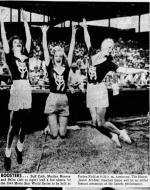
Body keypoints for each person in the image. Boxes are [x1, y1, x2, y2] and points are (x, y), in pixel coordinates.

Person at [81, 18, 148, 147]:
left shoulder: (108, 63)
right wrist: (85, 28)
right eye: (109, 47)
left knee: (101, 122)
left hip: (100, 90)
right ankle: (113, 135)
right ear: (103, 46)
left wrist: (139, 70)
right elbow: (87, 40)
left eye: (112, 48)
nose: (111, 50)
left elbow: (123, 70)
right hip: (90, 90)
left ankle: (120, 132)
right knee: (95, 122)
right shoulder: (92, 55)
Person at [0, 9, 32, 170]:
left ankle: (20, 146)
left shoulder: (26, 57)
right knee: (13, 125)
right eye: (15, 43)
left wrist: (26, 21)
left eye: (19, 43)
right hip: (17, 87)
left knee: (25, 123)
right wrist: (1, 22)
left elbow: (30, 38)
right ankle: (7, 153)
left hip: (27, 87)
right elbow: (4, 39)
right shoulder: (10, 57)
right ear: (12, 47)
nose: (18, 44)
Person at [42, 23, 77, 138]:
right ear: (53, 57)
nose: (58, 58)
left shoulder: (66, 68)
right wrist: (44, 33)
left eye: (60, 56)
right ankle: (50, 127)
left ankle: (55, 126)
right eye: (56, 56)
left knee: (62, 134)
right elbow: (45, 49)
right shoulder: (49, 67)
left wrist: (73, 33)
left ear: (62, 57)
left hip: (63, 99)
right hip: (52, 98)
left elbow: (71, 51)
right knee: (54, 134)